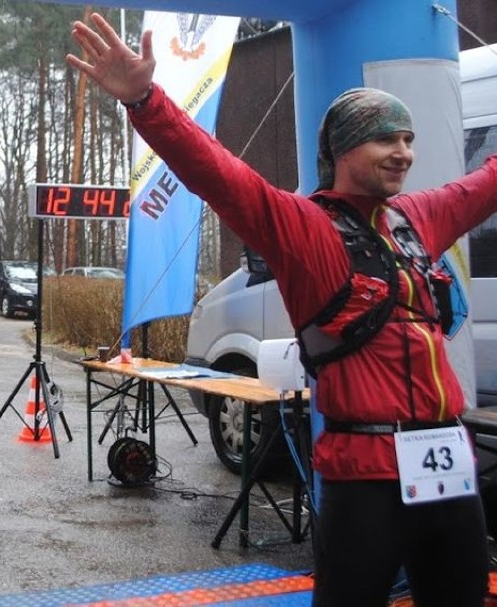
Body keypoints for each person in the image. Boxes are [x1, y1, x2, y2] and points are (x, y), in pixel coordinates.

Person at [67, 13, 496, 607]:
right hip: (363, 475)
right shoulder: (304, 227)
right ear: (343, 150)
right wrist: (144, 99)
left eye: (409, 140)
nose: (403, 153)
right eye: (386, 139)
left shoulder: (417, 219)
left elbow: (487, 183)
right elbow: (217, 174)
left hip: (447, 464)